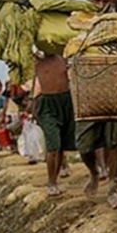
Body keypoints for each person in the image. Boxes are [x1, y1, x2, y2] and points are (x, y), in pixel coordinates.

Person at [72, 0, 117, 209]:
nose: (101, 6)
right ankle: (93, 172)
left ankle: (113, 188)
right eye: (97, 1)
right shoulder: (82, 18)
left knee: (114, 140)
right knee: (84, 143)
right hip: (88, 89)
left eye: (104, 1)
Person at [29, 52, 78, 195]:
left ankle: (55, 180)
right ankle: (51, 182)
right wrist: (34, 108)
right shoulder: (37, 60)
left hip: (66, 101)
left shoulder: (63, 57)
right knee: (53, 145)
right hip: (47, 104)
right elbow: (34, 85)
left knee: (61, 146)